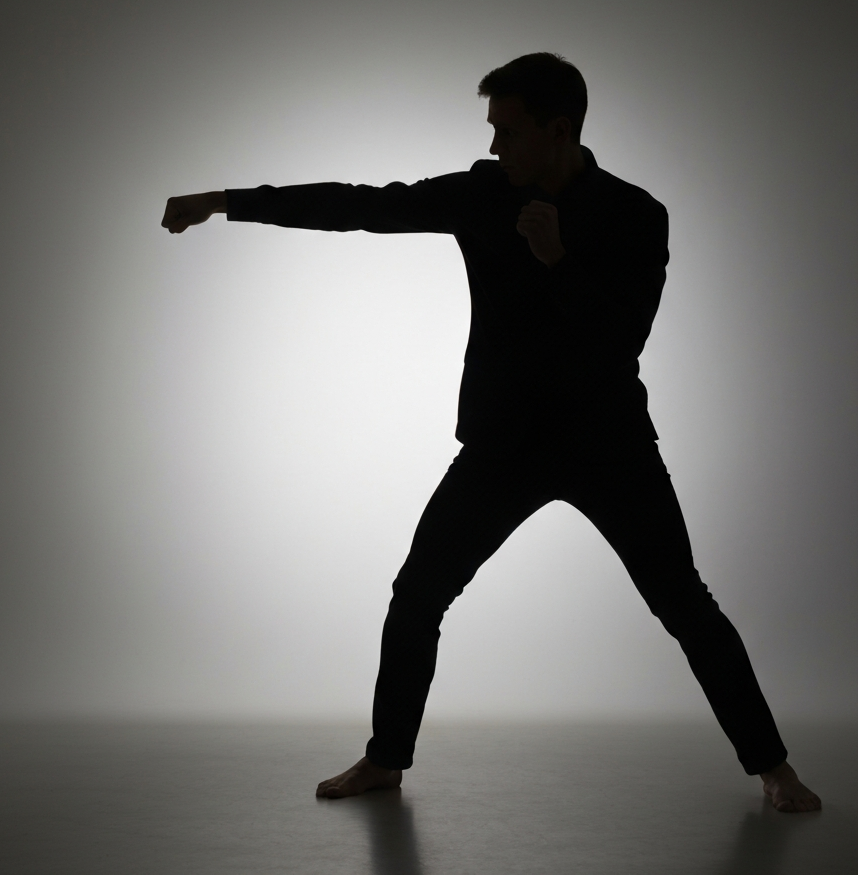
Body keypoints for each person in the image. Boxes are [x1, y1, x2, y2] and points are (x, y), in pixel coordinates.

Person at [161, 53, 821, 813]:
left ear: (558, 129)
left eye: (508, 131)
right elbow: (362, 205)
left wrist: (556, 259)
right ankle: (385, 762)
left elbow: (620, 341)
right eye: (493, 132)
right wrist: (223, 201)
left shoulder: (638, 214)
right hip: (504, 445)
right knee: (418, 596)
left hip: (609, 445)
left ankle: (776, 770)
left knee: (685, 604)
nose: (495, 146)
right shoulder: (483, 195)